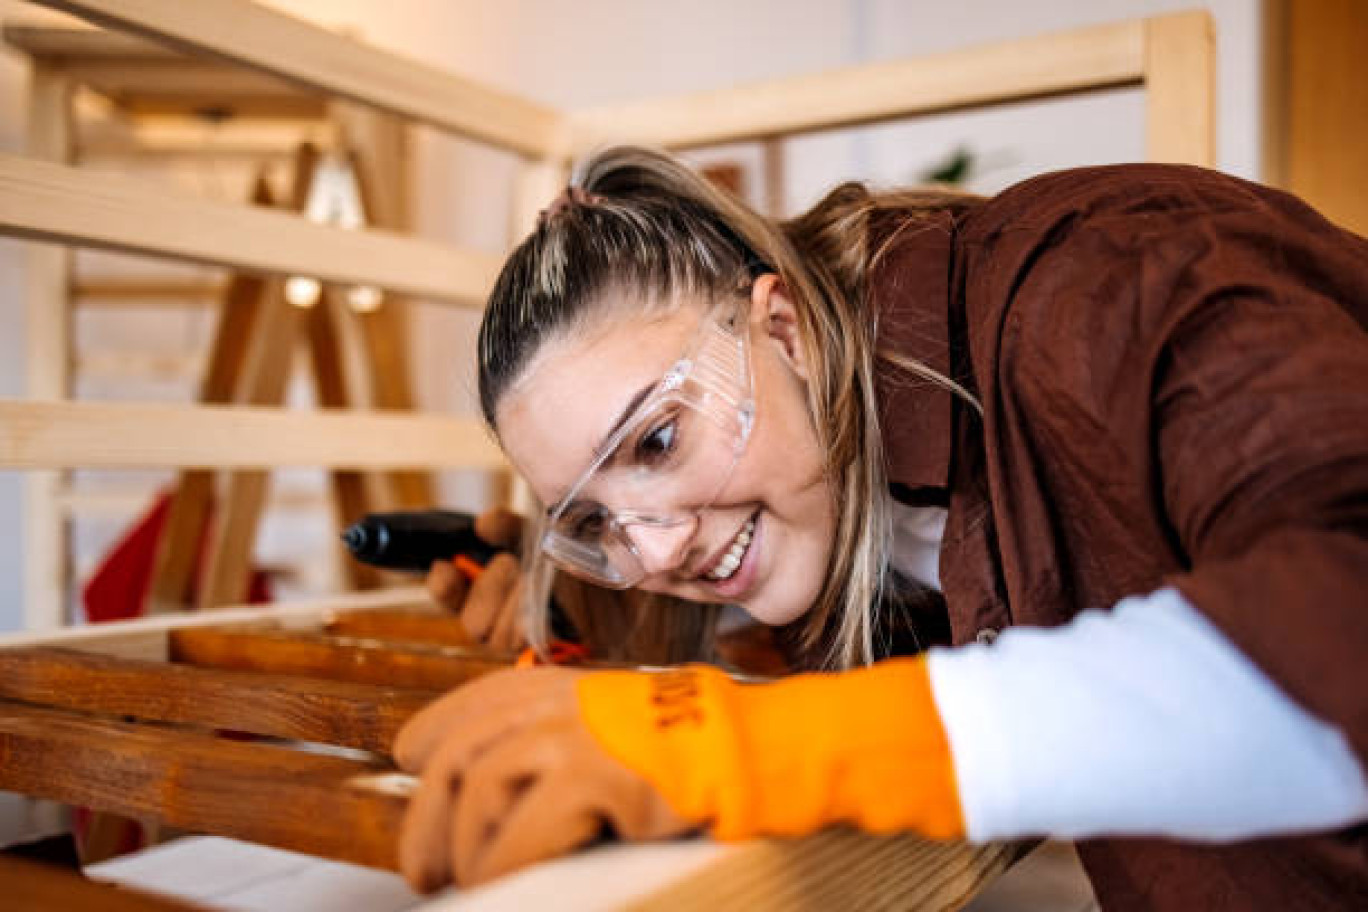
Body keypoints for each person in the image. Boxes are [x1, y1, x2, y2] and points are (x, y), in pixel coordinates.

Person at [394, 146, 1368, 910]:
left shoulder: (1109, 277)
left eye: (655, 439)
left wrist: (744, 746)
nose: (649, 553)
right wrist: (583, 615)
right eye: (597, 519)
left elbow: (1339, 622)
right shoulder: (852, 477)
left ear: (783, 330)